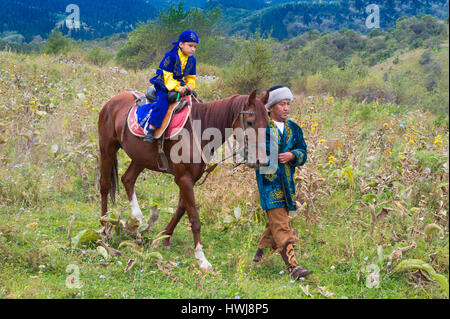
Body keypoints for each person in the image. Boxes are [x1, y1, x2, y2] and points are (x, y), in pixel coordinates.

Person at [253, 85, 313, 280]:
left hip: (288, 184)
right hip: (269, 183)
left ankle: (258, 259)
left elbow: (303, 152)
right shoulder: (261, 127)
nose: (286, 108)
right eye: (282, 104)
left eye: (288, 104)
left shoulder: (294, 129)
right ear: (271, 107)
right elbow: (250, 155)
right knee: (281, 224)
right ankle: (293, 267)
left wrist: (293, 155)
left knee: (275, 223)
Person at [137, 30, 199, 143]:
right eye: (190, 46)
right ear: (181, 44)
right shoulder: (171, 56)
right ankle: (151, 130)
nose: (193, 49)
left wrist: (190, 85)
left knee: (195, 99)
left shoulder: (192, 60)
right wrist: (176, 87)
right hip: (164, 83)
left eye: (195, 47)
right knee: (163, 103)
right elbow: (167, 76)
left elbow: (191, 76)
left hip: (179, 83)